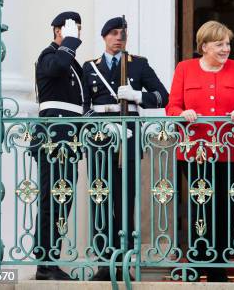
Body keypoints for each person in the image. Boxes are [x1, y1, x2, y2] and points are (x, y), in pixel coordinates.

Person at [166, 20, 234, 282]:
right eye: (220, 44)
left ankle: (217, 268)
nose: (226, 49)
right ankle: (196, 261)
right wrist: (183, 113)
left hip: (231, 150)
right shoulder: (185, 68)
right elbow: (172, 106)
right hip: (195, 151)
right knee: (200, 205)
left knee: (224, 208)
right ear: (204, 46)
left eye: (228, 44)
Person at [82, 16, 169, 281]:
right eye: (114, 33)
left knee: (125, 200)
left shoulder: (138, 64)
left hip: (129, 138)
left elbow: (163, 96)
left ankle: (125, 261)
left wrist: (137, 96)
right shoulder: (90, 67)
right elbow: (84, 102)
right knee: (100, 199)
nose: (120, 38)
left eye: (123, 33)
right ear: (105, 37)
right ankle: (103, 262)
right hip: (99, 139)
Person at [32, 11, 84, 280]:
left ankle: (51, 259)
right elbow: (57, 68)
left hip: (70, 140)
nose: (77, 34)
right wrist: (70, 42)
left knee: (63, 202)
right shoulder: (49, 56)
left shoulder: (74, 63)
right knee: (51, 202)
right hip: (53, 139)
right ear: (57, 31)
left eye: (78, 30)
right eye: (71, 28)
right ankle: (44, 263)